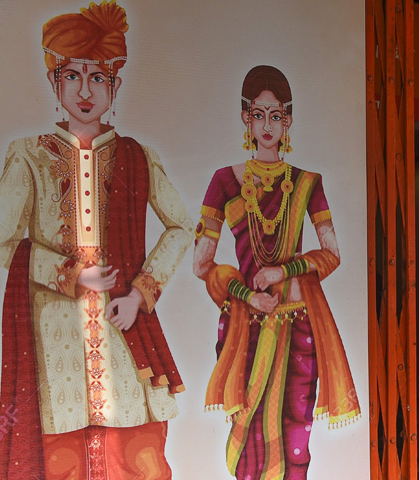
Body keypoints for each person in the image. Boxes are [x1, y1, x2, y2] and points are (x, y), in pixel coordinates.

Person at [0, 2, 194, 478]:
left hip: (122, 336)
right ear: (54, 82)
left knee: (137, 458)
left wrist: (141, 295)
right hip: (56, 342)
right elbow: (4, 241)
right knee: (61, 461)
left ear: (115, 86)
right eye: (72, 76)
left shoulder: (138, 157)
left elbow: (182, 226)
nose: (85, 92)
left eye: (98, 79)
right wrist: (68, 272)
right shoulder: (27, 156)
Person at [193, 65, 360, 480]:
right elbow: (202, 264)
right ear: (246, 117)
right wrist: (248, 293)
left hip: (299, 325)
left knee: (296, 439)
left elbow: (332, 254)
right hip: (248, 325)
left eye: (276, 115)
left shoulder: (307, 183)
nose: (267, 125)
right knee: (249, 434)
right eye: (259, 114)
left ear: (288, 120)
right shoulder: (224, 182)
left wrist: (282, 271)